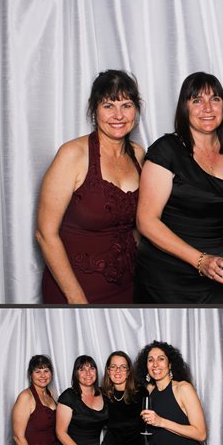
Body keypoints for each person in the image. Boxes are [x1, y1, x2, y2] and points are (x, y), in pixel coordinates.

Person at [37, 70, 145, 304]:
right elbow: (45, 234)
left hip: (129, 286)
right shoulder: (72, 154)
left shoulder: (138, 154)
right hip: (75, 289)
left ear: (136, 109)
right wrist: (76, 299)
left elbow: (137, 224)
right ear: (94, 109)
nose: (118, 115)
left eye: (126, 105)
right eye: (108, 105)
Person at [134, 72, 223, 303]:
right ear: (185, 107)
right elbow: (146, 221)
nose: (207, 108)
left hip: (215, 275)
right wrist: (201, 260)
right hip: (165, 279)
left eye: (215, 99)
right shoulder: (167, 150)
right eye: (197, 100)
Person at [136, 341, 211, 445]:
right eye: (150, 360)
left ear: (170, 364)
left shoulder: (183, 388)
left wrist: (161, 422)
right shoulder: (149, 391)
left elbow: (201, 434)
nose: (155, 364)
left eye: (161, 359)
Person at [56, 355, 108, 445]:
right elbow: (60, 432)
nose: (88, 373)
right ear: (76, 373)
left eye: (91, 368)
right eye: (82, 369)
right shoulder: (68, 396)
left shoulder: (104, 394)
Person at [99, 351, 146, 445]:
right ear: (108, 371)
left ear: (129, 372)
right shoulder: (102, 394)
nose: (118, 371)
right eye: (113, 367)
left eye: (123, 367)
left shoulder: (141, 393)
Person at [12, 355, 58, 445]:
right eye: (38, 372)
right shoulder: (25, 397)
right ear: (31, 375)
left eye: (46, 371)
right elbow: (18, 437)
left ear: (51, 373)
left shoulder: (51, 394)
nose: (43, 375)